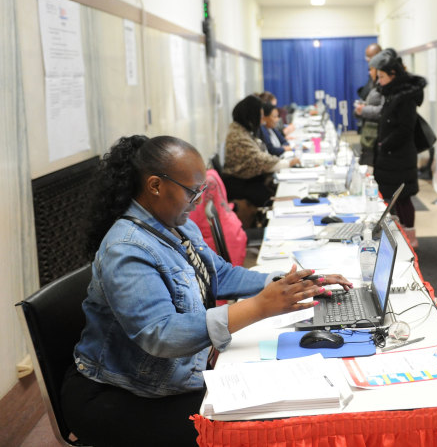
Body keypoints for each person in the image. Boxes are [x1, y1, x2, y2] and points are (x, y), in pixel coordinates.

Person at [60, 135, 351, 446]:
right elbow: (161, 334)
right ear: (156, 185)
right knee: (260, 429)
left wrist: (288, 284)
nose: (198, 201)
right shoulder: (126, 249)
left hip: (169, 376)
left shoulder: (177, 224)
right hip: (122, 395)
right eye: (192, 192)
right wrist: (260, 307)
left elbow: (219, 274)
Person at [372, 48, 426, 248]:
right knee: (394, 198)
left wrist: (385, 144)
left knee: (403, 198)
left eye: (383, 77)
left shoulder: (405, 97)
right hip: (390, 156)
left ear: (393, 75)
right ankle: (400, 233)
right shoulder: (392, 93)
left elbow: (405, 128)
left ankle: (410, 237)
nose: (379, 81)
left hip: (400, 156)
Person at [222, 95, 299, 213]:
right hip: (240, 183)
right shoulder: (238, 136)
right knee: (280, 203)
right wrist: (288, 163)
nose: (262, 119)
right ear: (252, 115)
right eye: (261, 115)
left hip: (247, 180)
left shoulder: (242, 130)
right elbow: (259, 160)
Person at [354, 51, 385, 166]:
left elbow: (383, 110)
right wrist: (360, 108)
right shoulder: (374, 84)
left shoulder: (383, 86)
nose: (369, 72)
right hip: (369, 133)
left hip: (376, 135)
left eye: (371, 69)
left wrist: (364, 109)